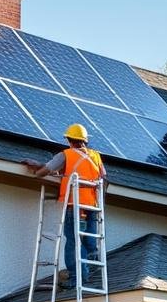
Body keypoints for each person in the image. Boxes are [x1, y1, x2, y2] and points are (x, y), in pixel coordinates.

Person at [22, 124, 107, 289]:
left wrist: (35, 172)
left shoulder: (66, 155)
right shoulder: (96, 156)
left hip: (74, 204)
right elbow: (103, 177)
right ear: (85, 141)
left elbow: (47, 169)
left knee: (73, 241)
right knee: (89, 240)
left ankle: (77, 277)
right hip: (92, 205)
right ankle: (90, 264)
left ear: (69, 140)